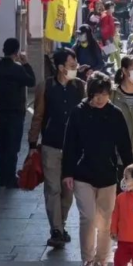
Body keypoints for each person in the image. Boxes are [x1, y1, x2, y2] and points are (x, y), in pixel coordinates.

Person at [63, 72, 133, 266]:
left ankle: (102, 263)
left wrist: (129, 173)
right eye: (96, 94)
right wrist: (67, 172)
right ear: (89, 93)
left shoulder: (115, 114)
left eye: (103, 94)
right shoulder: (78, 113)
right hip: (82, 174)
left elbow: (124, 147)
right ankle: (87, 261)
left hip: (108, 175)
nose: (100, 99)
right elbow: (70, 146)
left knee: (106, 221)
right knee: (88, 217)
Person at [29, 49, 85, 248]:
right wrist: (32, 143)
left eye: (75, 65)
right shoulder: (46, 86)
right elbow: (38, 115)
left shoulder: (80, 87)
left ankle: (61, 223)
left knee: (67, 190)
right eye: (71, 66)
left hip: (74, 148)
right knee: (52, 188)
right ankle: (56, 229)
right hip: (50, 145)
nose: (74, 69)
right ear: (61, 67)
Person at [0, 38, 36, 188]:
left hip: (1, 111)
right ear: (16, 52)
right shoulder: (17, 69)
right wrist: (26, 63)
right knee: (12, 146)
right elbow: (32, 81)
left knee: (2, 145)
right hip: (15, 113)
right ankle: (9, 178)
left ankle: (1, 178)